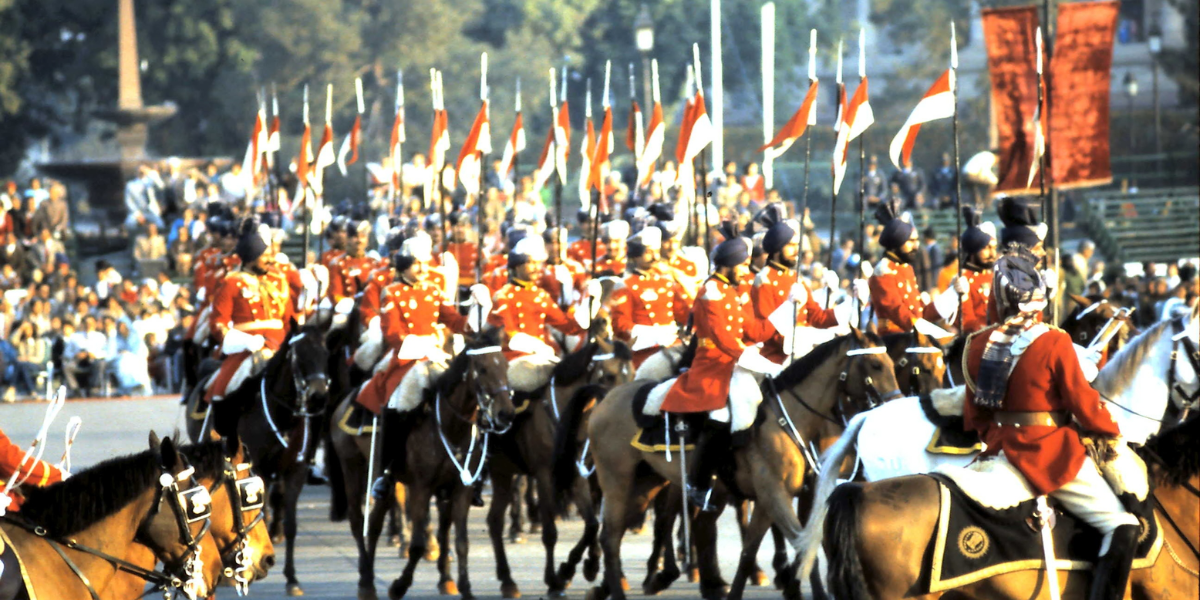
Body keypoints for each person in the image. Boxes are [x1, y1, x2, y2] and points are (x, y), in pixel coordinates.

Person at [961, 255, 1138, 600]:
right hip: (1047, 452)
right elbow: (1083, 404)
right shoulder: (1054, 340)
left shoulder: (977, 343)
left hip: (997, 450)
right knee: (1122, 525)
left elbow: (975, 417)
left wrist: (999, 438)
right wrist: (1112, 428)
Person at [651, 223, 777, 511]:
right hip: (710, 367)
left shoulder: (730, 291)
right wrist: (753, 359)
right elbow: (722, 338)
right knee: (720, 415)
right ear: (730, 264)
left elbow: (755, 330)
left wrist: (787, 312)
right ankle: (698, 482)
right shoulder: (711, 290)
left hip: (732, 364)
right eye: (743, 265)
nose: (746, 271)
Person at [206, 220, 293, 436]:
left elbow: (290, 317)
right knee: (225, 387)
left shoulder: (278, 279)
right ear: (251, 256)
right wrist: (244, 341)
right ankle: (223, 434)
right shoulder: (232, 283)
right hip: (248, 347)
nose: (269, 259)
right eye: (264, 256)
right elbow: (218, 323)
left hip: (280, 343)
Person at [751, 205, 860, 364]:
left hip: (803, 353)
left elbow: (817, 317)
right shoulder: (764, 281)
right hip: (777, 359)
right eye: (790, 246)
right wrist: (803, 339)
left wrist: (852, 304)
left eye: (797, 245)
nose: (797, 250)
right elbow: (766, 331)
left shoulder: (796, 278)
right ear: (776, 248)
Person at [867, 199, 958, 334]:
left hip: (913, 334)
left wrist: (953, 293)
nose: (916, 246)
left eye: (916, 241)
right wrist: (928, 332)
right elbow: (897, 312)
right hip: (894, 338)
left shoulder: (906, 268)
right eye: (910, 241)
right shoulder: (883, 271)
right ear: (896, 242)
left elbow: (922, 312)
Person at [610, 226, 691, 368]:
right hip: (644, 350)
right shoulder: (625, 285)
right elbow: (620, 325)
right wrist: (654, 335)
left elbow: (684, 313)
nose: (655, 257)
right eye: (648, 252)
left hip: (672, 344)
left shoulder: (666, 282)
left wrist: (693, 326)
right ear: (636, 255)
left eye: (656, 252)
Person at [956, 207, 998, 334]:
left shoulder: (995, 276)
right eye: (986, 248)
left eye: (994, 248)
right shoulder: (963, 279)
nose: (992, 253)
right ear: (973, 251)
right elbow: (967, 322)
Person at [63, 313, 108, 397]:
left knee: (101, 364)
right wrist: (76, 354)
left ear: (95, 324)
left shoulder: (100, 337)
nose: (88, 325)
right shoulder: (75, 336)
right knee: (67, 367)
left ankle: (94, 388)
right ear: (83, 324)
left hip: (93, 361)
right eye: (86, 323)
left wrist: (94, 355)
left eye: (91, 323)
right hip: (78, 362)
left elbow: (105, 352)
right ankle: (75, 390)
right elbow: (67, 353)